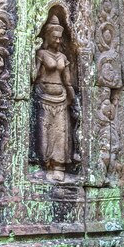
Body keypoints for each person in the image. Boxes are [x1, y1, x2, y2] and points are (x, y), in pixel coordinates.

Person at [33, 14, 76, 182]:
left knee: (60, 133)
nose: (58, 41)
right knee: (44, 133)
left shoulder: (63, 57)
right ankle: (44, 164)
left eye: (60, 38)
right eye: (55, 37)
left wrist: (73, 99)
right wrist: (34, 55)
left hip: (61, 99)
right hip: (44, 97)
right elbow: (34, 76)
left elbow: (68, 81)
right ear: (48, 37)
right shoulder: (42, 54)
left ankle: (58, 166)